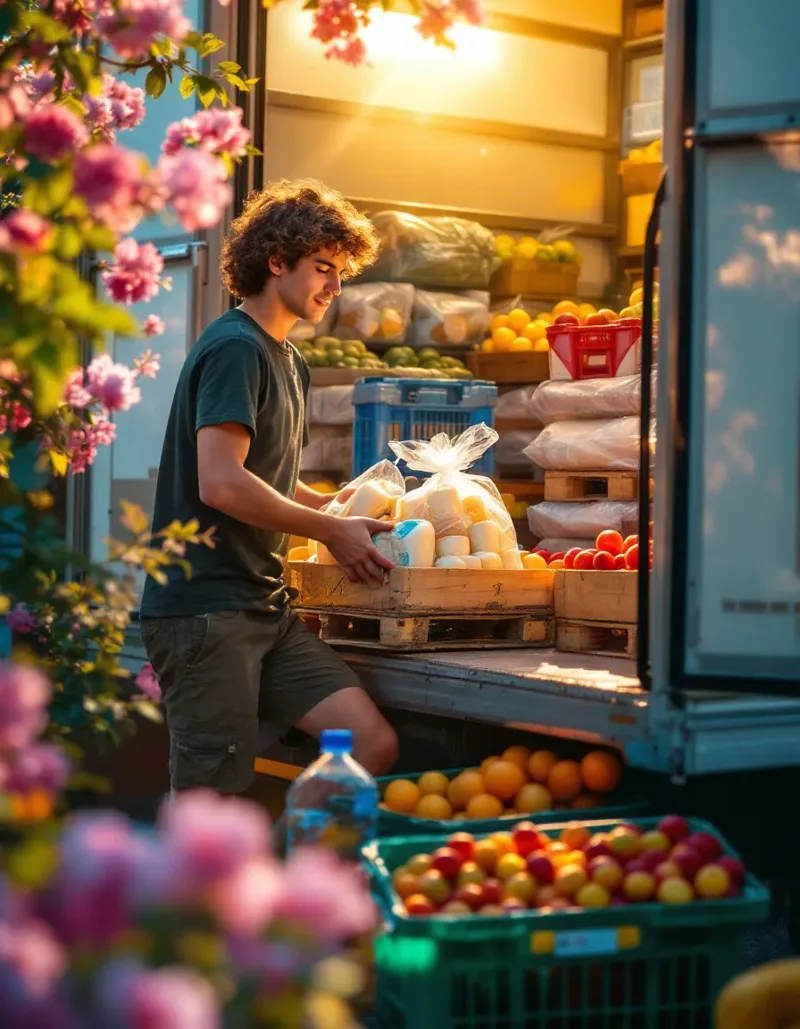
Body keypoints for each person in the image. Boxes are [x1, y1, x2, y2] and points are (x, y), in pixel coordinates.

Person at [139, 179, 399, 796]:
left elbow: (266, 477)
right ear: (276, 261)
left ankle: (285, 884)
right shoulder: (236, 348)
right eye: (324, 269)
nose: (335, 287)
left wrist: (336, 504)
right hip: (206, 612)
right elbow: (222, 482)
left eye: (341, 272)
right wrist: (329, 529)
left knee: (369, 743)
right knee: (212, 802)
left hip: (265, 607)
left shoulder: (287, 358)